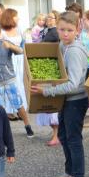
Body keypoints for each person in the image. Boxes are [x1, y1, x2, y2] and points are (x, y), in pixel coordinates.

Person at [31, 11, 89, 177]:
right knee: (63, 136)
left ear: (77, 30)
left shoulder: (73, 51)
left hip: (76, 100)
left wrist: (46, 92)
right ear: (57, 28)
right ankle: (70, 172)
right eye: (62, 29)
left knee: (73, 139)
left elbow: (72, 84)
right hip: (67, 100)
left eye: (69, 30)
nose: (65, 34)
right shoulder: (64, 46)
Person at [36, 10, 60, 146]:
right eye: (47, 17)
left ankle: (57, 135)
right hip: (46, 67)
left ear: (57, 19)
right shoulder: (46, 30)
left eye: (51, 17)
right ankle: (57, 134)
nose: (48, 19)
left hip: (52, 68)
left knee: (52, 104)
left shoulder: (55, 32)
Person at [0, 8, 28, 117]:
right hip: (8, 60)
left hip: (20, 59)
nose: (18, 18)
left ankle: (21, 109)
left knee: (20, 83)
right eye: (16, 16)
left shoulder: (19, 29)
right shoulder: (2, 31)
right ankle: (10, 110)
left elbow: (24, 44)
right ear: (10, 17)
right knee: (11, 83)